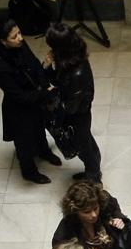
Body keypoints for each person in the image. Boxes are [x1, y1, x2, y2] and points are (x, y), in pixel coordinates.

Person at [0, 16, 60, 185]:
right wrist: (45, 94)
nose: (20, 38)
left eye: (19, 33)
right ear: (3, 41)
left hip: (35, 96)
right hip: (18, 108)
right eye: (14, 36)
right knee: (24, 142)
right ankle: (29, 172)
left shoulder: (20, 44)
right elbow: (18, 96)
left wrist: (45, 81)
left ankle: (44, 151)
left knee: (40, 127)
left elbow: (34, 65)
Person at [44, 23, 102, 182]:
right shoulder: (69, 60)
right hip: (76, 113)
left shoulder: (77, 72)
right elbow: (57, 80)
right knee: (86, 143)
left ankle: (94, 178)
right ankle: (93, 171)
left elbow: (71, 106)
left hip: (78, 116)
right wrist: (48, 67)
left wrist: (54, 96)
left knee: (84, 147)